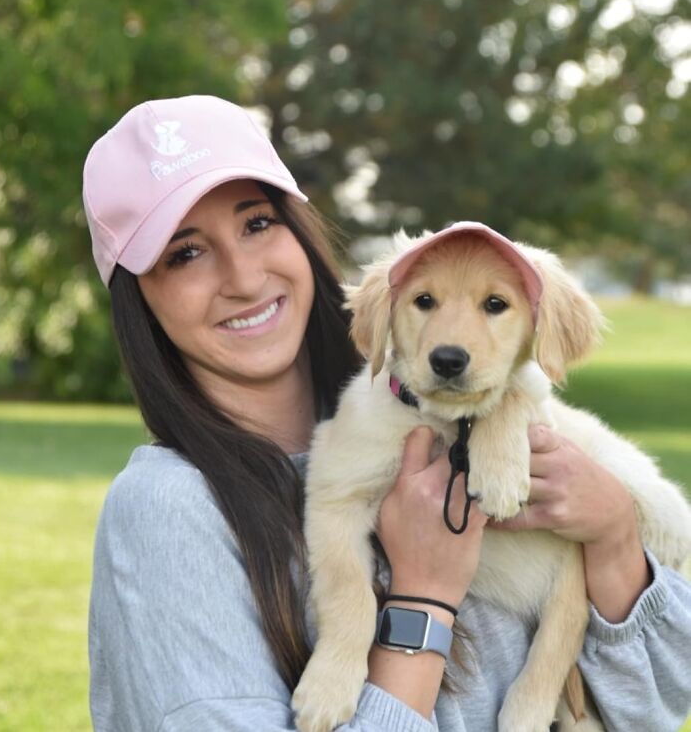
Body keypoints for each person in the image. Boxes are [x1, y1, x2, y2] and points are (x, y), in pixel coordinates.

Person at [83, 95, 691, 732]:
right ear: (138, 302)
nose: (242, 276)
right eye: (184, 254)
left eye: (257, 223)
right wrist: (424, 598)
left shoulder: (422, 416)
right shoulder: (168, 510)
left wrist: (616, 535)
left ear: (299, 229)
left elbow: (648, 708)